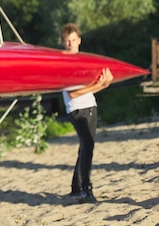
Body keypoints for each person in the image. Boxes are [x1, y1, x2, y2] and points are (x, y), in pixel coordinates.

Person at [60, 23, 113, 204]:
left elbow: (87, 88)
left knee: (85, 146)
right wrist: (101, 85)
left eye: (73, 40)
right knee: (88, 146)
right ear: (63, 42)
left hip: (90, 106)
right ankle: (86, 189)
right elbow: (73, 93)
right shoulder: (62, 63)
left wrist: (102, 84)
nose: (70, 44)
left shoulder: (83, 60)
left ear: (79, 40)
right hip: (76, 109)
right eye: (67, 41)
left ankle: (76, 188)